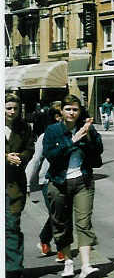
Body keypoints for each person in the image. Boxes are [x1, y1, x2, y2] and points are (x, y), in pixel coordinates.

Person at [43, 95, 104, 278]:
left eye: (75, 109)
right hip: (59, 182)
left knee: (84, 223)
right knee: (61, 223)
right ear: (61, 111)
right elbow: (50, 155)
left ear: (80, 112)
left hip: (82, 181)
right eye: (68, 109)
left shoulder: (86, 128)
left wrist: (90, 134)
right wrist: (73, 141)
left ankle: (86, 266)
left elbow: (98, 151)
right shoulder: (53, 130)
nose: (72, 112)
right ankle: (68, 261)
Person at [26, 102, 64, 260]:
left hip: (66, 180)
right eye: (66, 111)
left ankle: (44, 238)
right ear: (57, 117)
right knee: (57, 214)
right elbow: (35, 160)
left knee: (60, 214)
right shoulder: (45, 136)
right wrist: (27, 183)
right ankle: (62, 249)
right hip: (47, 180)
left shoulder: (73, 133)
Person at [6, 93, 35, 278]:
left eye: (15, 108)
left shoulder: (23, 127)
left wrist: (20, 158)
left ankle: (14, 271)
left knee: (12, 225)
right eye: (8, 108)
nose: (12, 112)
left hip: (14, 184)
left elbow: (30, 148)